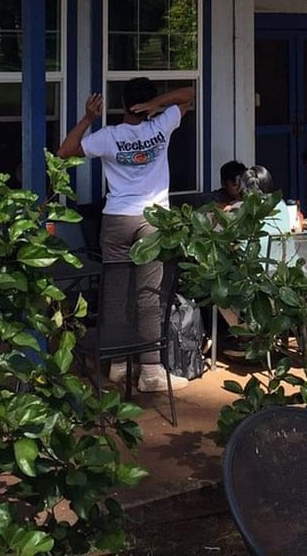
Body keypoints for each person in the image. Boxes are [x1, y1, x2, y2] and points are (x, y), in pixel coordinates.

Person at [58, 79, 195, 393]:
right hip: (153, 219)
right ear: (147, 105)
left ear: (122, 104)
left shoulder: (108, 137)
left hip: (117, 219)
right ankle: (151, 371)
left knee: (115, 294)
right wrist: (157, 104)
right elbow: (189, 94)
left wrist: (88, 119)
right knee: (149, 296)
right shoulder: (162, 125)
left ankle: (117, 365)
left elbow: (63, 153)